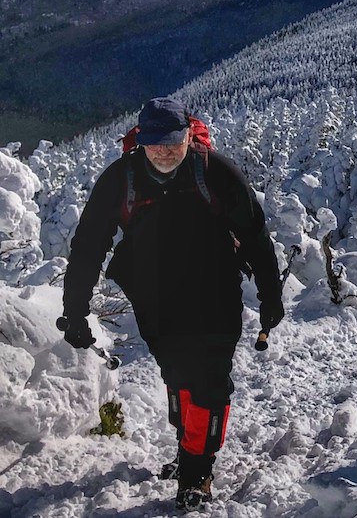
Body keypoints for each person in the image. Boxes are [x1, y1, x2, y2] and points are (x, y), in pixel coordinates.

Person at [59, 96, 284, 510]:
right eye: (154, 141)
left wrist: (271, 295)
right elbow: (89, 244)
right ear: (140, 141)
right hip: (155, 294)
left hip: (214, 290)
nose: (164, 150)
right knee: (177, 372)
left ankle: (199, 471)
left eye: (173, 140)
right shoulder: (120, 179)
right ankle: (187, 450)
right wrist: (75, 307)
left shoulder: (215, 172)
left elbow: (254, 234)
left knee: (209, 380)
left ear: (188, 137)